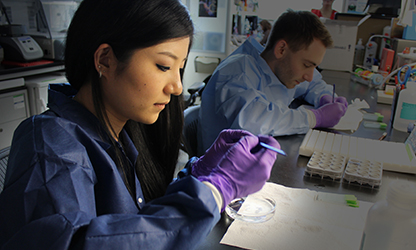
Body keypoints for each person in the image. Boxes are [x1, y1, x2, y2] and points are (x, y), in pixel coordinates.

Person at [0, 0, 280, 249]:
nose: (178, 87)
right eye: (163, 66)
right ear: (105, 60)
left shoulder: (120, 131)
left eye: (179, 68)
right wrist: (215, 191)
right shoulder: (50, 144)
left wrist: (201, 174)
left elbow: (133, 224)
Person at [198, 10, 348, 156]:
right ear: (281, 49)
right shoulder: (237, 71)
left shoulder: (282, 68)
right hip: (222, 171)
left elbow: (314, 83)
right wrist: (315, 117)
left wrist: (325, 97)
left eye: (314, 66)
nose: (309, 76)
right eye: (307, 65)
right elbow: (254, 120)